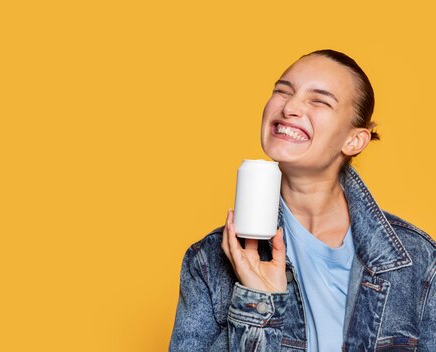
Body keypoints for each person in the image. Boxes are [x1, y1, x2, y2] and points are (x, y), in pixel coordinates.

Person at [169, 49, 436, 351]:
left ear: (354, 140)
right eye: (283, 91)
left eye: (319, 100)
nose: (290, 106)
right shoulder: (208, 262)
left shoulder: (418, 260)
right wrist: (258, 305)